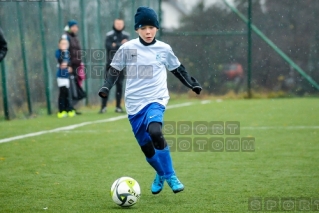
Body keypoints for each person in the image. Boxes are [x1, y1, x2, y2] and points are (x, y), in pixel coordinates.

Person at [98, 7, 202, 194]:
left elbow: (178, 69)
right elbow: (114, 70)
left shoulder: (164, 49)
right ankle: (160, 173)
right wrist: (106, 87)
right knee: (147, 148)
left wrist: (192, 84)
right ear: (137, 29)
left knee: (155, 131)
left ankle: (170, 175)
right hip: (134, 104)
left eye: (152, 27)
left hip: (156, 99)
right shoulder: (127, 48)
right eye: (144, 27)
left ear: (157, 29)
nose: (148, 31)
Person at [99, 18, 130, 114]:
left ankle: (118, 107)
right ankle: (103, 107)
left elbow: (128, 49)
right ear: (114, 24)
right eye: (117, 23)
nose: (119, 25)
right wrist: (120, 44)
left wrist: (115, 45)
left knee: (120, 86)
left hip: (122, 65)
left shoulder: (126, 35)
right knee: (107, 85)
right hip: (111, 64)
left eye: (121, 23)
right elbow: (108, 47)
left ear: (123, 24)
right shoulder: (109, 35)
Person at [62, 20, 85, 115]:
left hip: (76, 66)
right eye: (73, 26)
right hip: (70, 67)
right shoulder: (66, 37)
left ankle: (71, 107)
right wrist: (68, 65)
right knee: (69, 88)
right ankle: (67, 108)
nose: (75, 28)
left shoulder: (74, 37)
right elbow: (64, 52)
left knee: (75, 88)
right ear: (69, 27)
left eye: (76, 26)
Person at [55, 38, 75, 118]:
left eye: (65, 43)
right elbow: (62, 63)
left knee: (67, 93)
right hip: (61, 76)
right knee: (62, 93)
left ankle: (68, 109)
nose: (64, 45)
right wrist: (66, 65)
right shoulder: (58, 52)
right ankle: (61, 110)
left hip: (67, 76)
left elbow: (68, 63)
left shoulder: (67, 52)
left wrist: (69, 67)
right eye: (62, 43)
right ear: (59, 44)